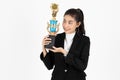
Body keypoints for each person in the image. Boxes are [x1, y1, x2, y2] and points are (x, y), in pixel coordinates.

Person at [40, 8, 90, 80]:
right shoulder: (57, 38)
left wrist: (64, 52)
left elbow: (82, 66)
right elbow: (49, 66)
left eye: (70, 22)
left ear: (78, 24)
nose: (65, 25)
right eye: (64, 21)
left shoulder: (84, 40)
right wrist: (44, 48)